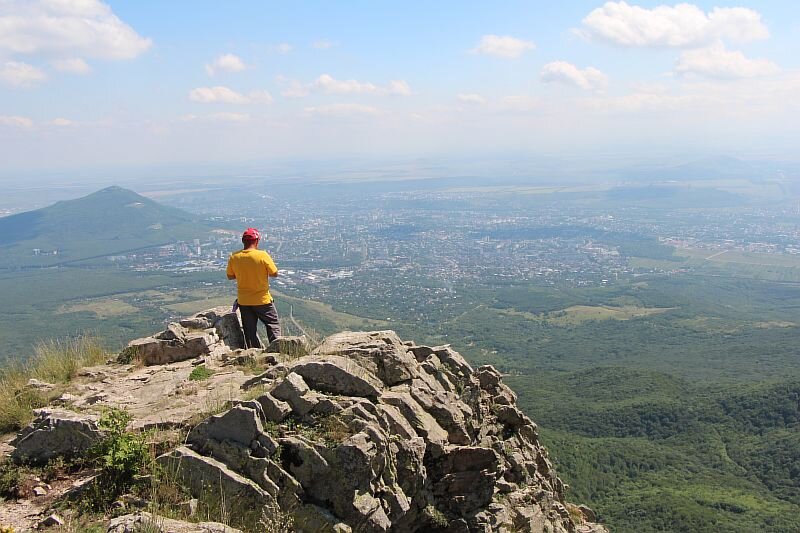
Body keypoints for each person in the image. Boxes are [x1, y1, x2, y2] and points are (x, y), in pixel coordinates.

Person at [226, 228, 281, 348]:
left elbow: (230, 276)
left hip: (244, 301)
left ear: (243, 241)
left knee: (249, 331)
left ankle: (254, 354)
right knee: (273, 324)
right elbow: (274, 273)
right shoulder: (262, 255)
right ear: (257, 241)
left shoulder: (234, 257)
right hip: (262, 299)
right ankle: (277, 350)